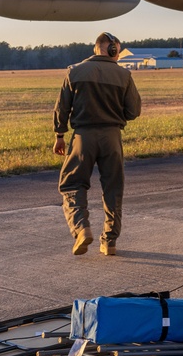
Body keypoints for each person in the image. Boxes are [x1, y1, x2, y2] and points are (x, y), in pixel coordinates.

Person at [53, 32, 141, 256]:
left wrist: (60, 135)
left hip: (83, 137)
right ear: (113, 50)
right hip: (112, 137)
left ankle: (81, 228)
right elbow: (133, 111)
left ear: (96, 48)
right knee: (113, 188)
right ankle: (109, 242)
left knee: (72, 184)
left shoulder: (75, 71)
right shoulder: (124, 74)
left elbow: (62, 107)